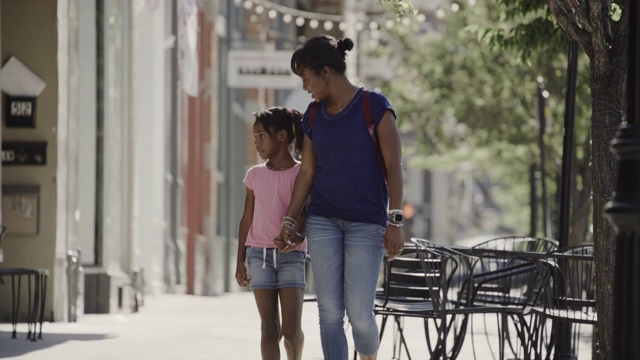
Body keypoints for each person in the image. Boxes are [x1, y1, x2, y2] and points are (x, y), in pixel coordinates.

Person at [280, 35, 405, 360]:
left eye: (306, 78)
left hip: (366, 223)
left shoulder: (375, 107)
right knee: (330, 312)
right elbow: (307, 173)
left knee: (360, 312)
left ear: (325, 72)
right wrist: (290, 219)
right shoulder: (313, 116)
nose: (305, 86)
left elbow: (394, 166)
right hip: (322, 220)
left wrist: (395, 220)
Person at [236, 107, 307, 360]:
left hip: (292, 256)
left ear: (281, 136)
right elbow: (246, 218)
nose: (256, 142)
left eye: (261, 136)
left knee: (290, 331)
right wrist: (240, 260)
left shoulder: (302, 173)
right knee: (269, 328)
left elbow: (306, 212)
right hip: (258, 256)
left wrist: (297, 236)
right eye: (254, 137)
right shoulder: (254, 175)